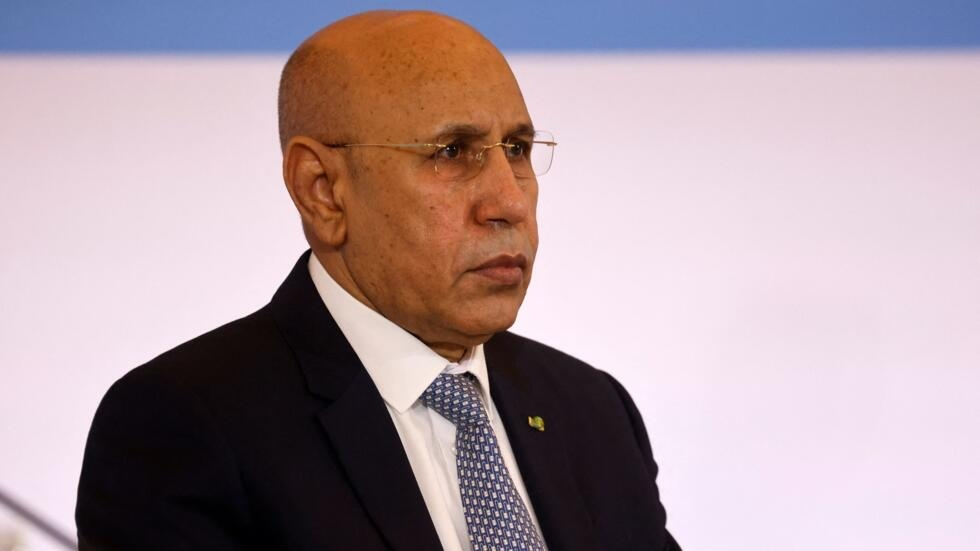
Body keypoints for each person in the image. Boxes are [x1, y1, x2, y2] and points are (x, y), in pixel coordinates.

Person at [76, 10, 681, 551]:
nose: (509, 202)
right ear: (323, 190)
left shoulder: (591, 409)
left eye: (517, 149)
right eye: (452, 151)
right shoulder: (187, 426)